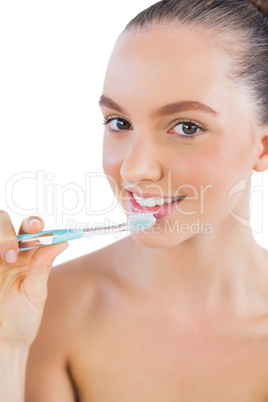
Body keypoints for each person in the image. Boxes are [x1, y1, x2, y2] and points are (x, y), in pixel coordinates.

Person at [1, 0, 268, 400]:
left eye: (186, 126)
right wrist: (7, 347)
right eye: (119, 123)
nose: (133, 169)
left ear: (263, 147)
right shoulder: (43, 311)